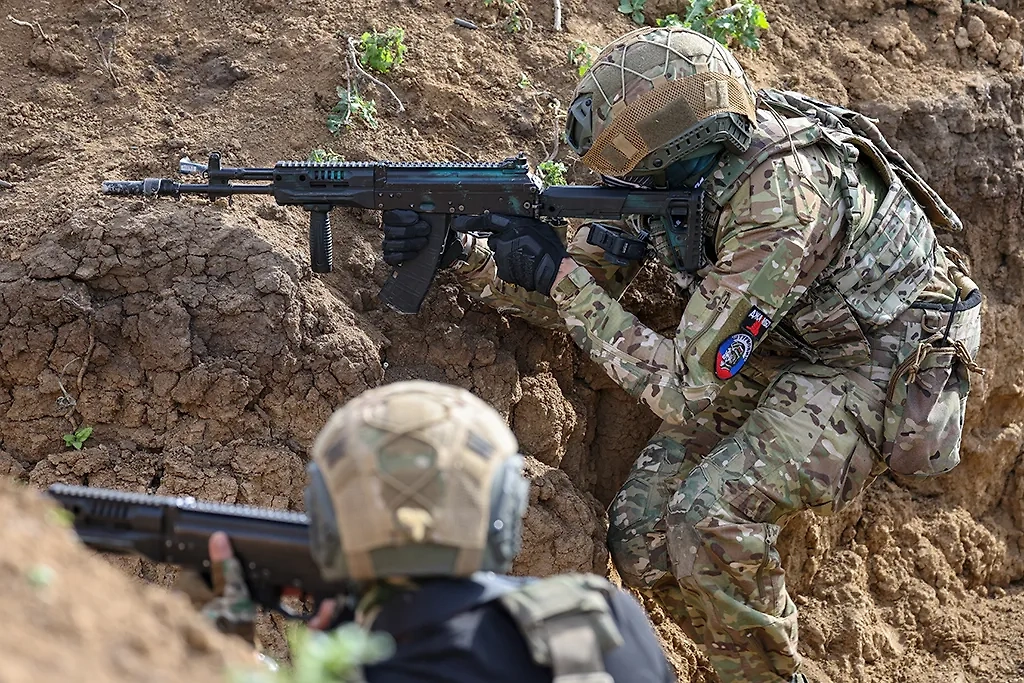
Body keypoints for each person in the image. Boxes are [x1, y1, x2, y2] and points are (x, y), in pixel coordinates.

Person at [380, 26, 984, 683]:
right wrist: (470, 256)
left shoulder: (778, 201)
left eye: (626, 152)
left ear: (670, 142)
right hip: (781, 332)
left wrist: (561, 278)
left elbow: (679, 386)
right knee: (639, 534)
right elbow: (579, 294)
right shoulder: (664, 178)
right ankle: (740, 666)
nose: (615, 169)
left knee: (711, 517)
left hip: (878, 350)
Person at [201, 379, 675, 682]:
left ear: (325, 519)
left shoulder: (357, 672)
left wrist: (224, 656)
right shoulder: (601, 623)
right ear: (505, 509)